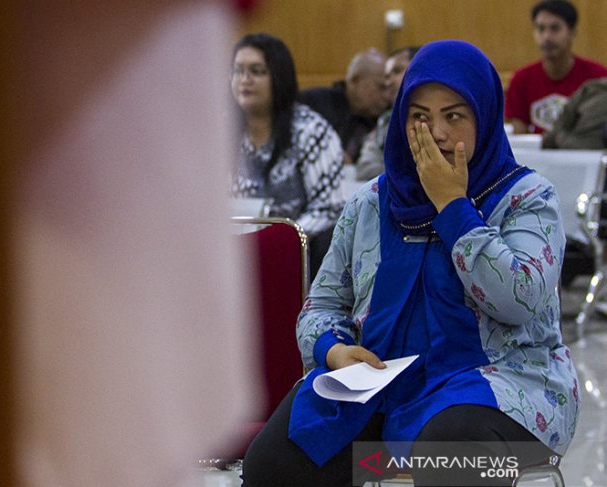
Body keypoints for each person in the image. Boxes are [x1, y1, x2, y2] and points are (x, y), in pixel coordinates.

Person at [243, 40, 579, 487]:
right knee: (276, 461)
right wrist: (334, 350)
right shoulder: (371, 203)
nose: (435, 133)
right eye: (419, 116)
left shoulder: (527, 198)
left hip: (501, 389)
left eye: (454, 116)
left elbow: (518, 301)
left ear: (484, 117)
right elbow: (321, 306)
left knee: (448, 460)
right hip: (382, 388)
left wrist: (453, 206)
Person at [230, 33, 346, 278]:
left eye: (257, 71)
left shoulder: (311, 130)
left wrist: (274, 241)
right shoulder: (219, 132)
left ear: (279, 77)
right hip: (233, 251)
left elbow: (329, 210)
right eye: (238, 70)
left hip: (294, 251)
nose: (244, 80)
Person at [505, 0, 607, 134]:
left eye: (555, 28)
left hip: (584, 153)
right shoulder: (521, 79)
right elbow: (519, 136)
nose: (547, 37)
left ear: (572, 32)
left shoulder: (597, 77)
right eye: (541, 29)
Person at [298, 49, 389, 165]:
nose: (386, 96)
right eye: (381, 88)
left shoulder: (384, 118)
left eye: (388, 89)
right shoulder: (312, 102)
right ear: (354, 80)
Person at [355, 46, 420, 181]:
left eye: (396, 71)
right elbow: (364, 168)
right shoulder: (386, 120)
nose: (388, 82)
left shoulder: (439, 115)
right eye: (386, 76)